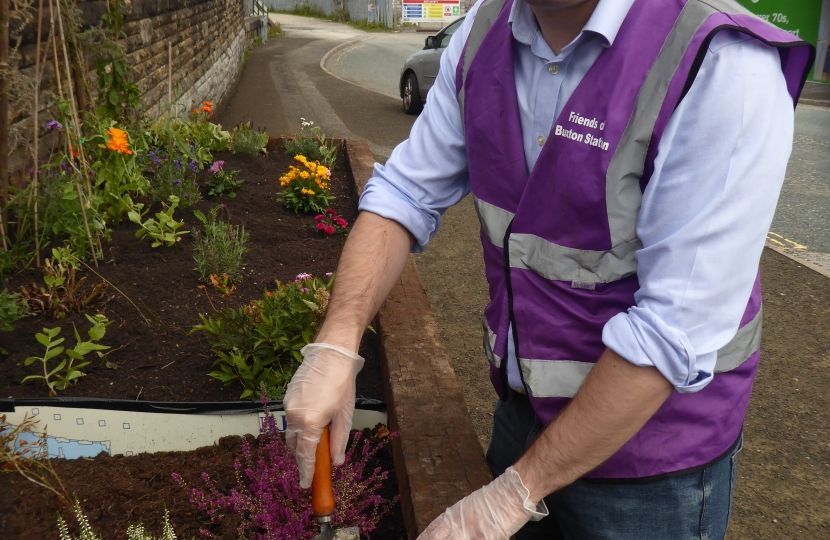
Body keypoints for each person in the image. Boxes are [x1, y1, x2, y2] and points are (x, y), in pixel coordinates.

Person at [283, 0, 814, 538]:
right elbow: (404, 193)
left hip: (654, 469)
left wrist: (512, 495)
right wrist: (336, 344)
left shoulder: (721, 61)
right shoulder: (481, 33)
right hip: (524, 417)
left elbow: (674, 328)